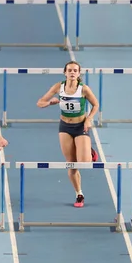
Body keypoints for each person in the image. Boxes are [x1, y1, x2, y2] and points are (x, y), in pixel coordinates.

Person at [36, 60, 100, 208]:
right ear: (65, 73)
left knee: (84, 162)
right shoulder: (59, 87)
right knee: (72, 165)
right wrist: (50, 103)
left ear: (78, 74)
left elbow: (96, 104)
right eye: (69, 70)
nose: (72, 73)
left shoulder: (84, 89)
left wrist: (89, 119)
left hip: (80, 126)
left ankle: (89, 152)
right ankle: (79, 194)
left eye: (75, 71)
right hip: (65, 127)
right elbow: (39, 102)